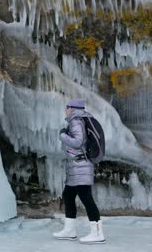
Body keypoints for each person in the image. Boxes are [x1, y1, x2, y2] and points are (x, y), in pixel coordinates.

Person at [52, 99, 106, 244]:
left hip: (80, 166)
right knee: (68, 195)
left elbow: (78, 142)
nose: (66, 109)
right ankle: (70, 231)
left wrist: (62, 135)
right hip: (76, 167)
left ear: (73, 108)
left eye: (67, 107)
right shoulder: (80, 119)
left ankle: (97, 233)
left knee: (86, 198)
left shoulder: (76, 121)